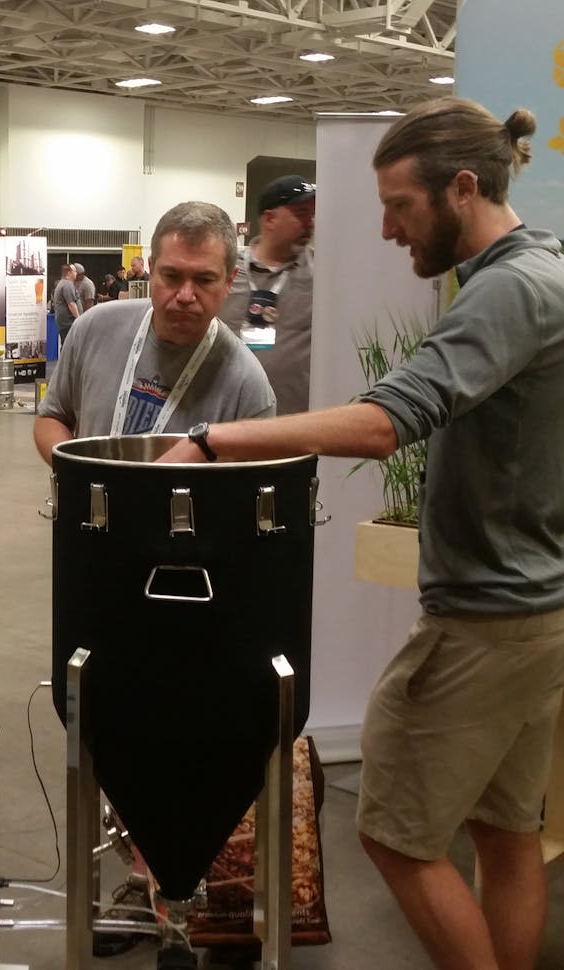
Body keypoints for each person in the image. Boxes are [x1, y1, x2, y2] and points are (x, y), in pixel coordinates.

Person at [158, 97, 564, 970]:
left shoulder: (511, 288)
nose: (385, 230)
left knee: (394, 836)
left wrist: (211, 440)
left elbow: (389, 421)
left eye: (400, 206)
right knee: (505, 831)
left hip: (484, 622)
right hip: (534, 613)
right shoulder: (546, 270)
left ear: (463, 187)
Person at [34, 201, 276, 463]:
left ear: (230, 280)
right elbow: (52, 417)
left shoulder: (248, 386)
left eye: (204, 280)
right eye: (171, 276)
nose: (185, 296)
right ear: (151, 269)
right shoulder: (93, 330)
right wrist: (81, 479)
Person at [219, 174, 316, 413]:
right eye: (301, 213)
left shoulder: (323, 275)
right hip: (228, 423)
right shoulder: (227, 270)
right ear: (270, 219)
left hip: (295, 426)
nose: (311, 222)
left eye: (312, 214)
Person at [51, 262, 83, 346]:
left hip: (65, 322)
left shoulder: (64, 283)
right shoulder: (67, 285)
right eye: (75, 271)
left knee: (67, 345)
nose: (76, 273)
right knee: (68, 346)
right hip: (68, 323)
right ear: (69, 273)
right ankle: (66, 360)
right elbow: (71, 304)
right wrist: (79, 319)